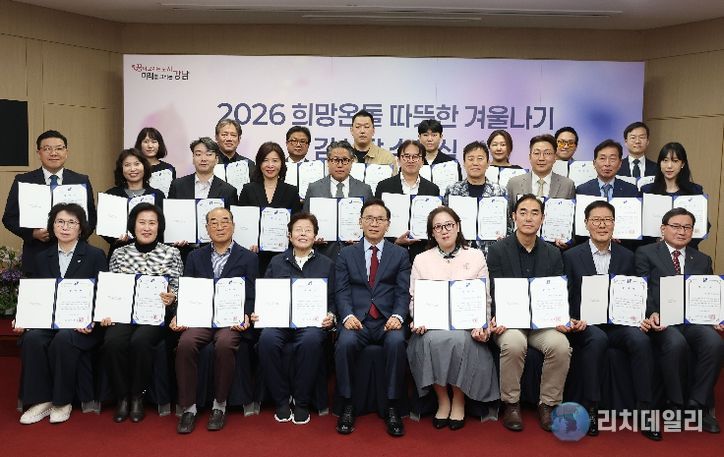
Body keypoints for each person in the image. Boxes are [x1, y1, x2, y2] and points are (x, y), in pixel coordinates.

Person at [563, 200, 659, 440]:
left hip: (619, 324)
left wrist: (641, 316)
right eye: (596, 220)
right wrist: (572, 318)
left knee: (640, 340)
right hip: (586, 325)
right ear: (586, 224)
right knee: (596, 339)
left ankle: (645, 409)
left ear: (614, 224)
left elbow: (637, 292)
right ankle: (591, 407)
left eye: (607, 220)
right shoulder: (571, 256)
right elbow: (566, 293)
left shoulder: (627, 256)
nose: (602, 225)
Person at [13, 203, 107, 425]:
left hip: (82, 324)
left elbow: (103, 294)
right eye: (60, 222)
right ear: (52, 225)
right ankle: (41, 401)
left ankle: (62, 402)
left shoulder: (94, 255)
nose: (65, 227)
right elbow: (34, 293)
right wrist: (22, 317)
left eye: (72, 222)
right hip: (49, 321)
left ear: (81, 228)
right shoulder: (41, 257)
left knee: (64, 338)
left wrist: (92, 320)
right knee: (32, 338)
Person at [408, 207, 498, 431]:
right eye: (438, 227)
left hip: (466, 326)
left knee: (460, 340)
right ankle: (442, 399)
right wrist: (417, 318)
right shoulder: (421, 259)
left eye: (449, 225)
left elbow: (484, 297)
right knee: (431, 340)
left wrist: (482, 325)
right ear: (432, 232)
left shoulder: (475, 255)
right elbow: (414, 298)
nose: (444, 230)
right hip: (432, 325)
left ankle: (458, 398)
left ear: (457, 227)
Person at [487, 194, 571, 432]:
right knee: (513, 343)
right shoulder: (498, 250)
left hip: (541, 324)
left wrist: (560, 318)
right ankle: (511, 403)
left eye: (535, 213)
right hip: (510, 322)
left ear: (542, 218)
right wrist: (497, 317)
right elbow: (493, 289)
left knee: (561, 345)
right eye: (523, 212)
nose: (528, 218)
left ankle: (548, 404)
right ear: (514, 216)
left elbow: (556, 293)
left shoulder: (553, 253)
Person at [635, 208, 723, 434]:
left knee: (714, 342)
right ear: (663, 229)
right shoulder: (646, 253)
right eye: (675, 226)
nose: (681, 231)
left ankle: (698, 404)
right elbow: (642, 289)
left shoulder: (702, 259)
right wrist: (651, 313)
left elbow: (708, 293)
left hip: (692, 320)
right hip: (662, 320)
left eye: (687, 227)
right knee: (675, 343)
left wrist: (715, 315)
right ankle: (675, 403)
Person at [172, 207, 258, 434]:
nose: (220, 227)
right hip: (201, 319)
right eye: (214, 222)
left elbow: (251, 293)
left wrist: (246, 314)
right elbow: (188, 290)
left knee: (225, 343)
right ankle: (188, 407)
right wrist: (180, 315)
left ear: (233, 225)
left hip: (230, 320)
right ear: (207, 228)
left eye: (225, 221)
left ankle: (219, 405)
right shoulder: (194, 256)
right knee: (185, 343)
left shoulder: (249, 257)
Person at [99, 203, 182, 423]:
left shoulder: (172, 253)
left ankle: (137, 396)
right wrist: (106, 311)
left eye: (152, 223)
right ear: (133, 226)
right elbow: (111, 288)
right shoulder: (119, 253)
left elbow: (177, 288)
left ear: (159, 227)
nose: (147, 228)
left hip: (155, 316)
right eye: (142, 222)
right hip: (123, 315)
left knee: (141, 341)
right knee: (113, 342)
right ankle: (122, 396)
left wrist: (172, 297)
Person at [334, 199, 411, 437]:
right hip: (358, 320)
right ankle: (348, 404)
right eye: (369, 218)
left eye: (380, 219)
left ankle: (392, 406)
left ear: (388, 224)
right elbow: (341, 291)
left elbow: (403, 291)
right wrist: (347, 315)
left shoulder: (400, 254)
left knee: (397, 342)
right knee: (344, 343)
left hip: (388, 320)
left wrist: (398, 315)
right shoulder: (346, 254)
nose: (374, 223)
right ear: (360, 222)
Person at [255, 212, 335, 425]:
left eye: (308, 230)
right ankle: (281, 400)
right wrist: (259, 312)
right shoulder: (276, 262)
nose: (303, 234)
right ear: (289, 235)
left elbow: (333, 299)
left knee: (311, 340)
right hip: (279, 322)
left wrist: (331, 316)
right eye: (298, 230)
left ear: (315, 236)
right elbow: (266, 294)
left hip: (311, 323)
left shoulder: (327, 264)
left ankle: (301, 401)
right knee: (266, 340)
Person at [3, 130, 97, 277]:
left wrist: (76, 234)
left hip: (75, 254)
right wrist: (32, 234)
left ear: (66, 152)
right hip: (36, 254)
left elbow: (91, 216)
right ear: (39, 153)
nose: (54, 153)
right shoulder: (23, 180)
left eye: (59, 148)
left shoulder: (80, 180)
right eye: (47, 149)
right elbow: (9, 218)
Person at [238, 142, 303, 275]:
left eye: (275, 161)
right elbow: (242, 223)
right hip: (254, 255)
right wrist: (248, 242)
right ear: (259, 163)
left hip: (283, 256)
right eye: (265, 160)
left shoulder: (291, 191)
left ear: (281, 163)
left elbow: (296, 223)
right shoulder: (248, 189)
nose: (270, 165)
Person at [302, 140, 373, 259]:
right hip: (322, 254)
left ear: (352, 162)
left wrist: (362, 239)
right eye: (335, 160)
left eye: (345, 160)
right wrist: (311, 237)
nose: (340, 165)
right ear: (328, 162)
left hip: (356, 254)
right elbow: (304, 221)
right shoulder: (314, 188)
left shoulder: (364, 189)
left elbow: (371, 221)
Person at [506, 134, 575, 249]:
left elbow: (571, 222)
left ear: (555, 157)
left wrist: (567, 240)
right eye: (537, 153)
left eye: (547, 153)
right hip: (519, 247)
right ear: (530, 157)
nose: (541, 158)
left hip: (553, 249)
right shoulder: (514, 183)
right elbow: (508, 217)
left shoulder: (567, 185)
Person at [375, 140, 439, 262]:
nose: (411, 160)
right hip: (389, 252)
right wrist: (395, 241)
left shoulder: (432, 189)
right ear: (399, 160)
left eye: (415, 157)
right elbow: (377, 219)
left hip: (423, 253)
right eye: (406, 156)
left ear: (422, 161)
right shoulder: (384, 186)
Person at [444, 140, 511, 256]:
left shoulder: (499, 192)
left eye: (480, 159)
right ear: (464, 163)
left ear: (488, 163)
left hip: (491, 254)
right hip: (458, 253)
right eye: (470, 159)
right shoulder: (453, 191)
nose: (475, 163)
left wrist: (504, 238)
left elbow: (509, 226)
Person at [102, 148, 165, 259]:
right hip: (120, 254)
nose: (132, 169)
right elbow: (104, 225)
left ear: (144, 166)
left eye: (137, 164)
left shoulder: (158, 195)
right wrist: (115, 239)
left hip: (153, 255)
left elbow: (162, 225)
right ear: (121, 169)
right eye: (127, 165)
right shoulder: (111, 195)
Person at [641, 142, 706, 249]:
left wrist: (681, 242)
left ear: (682, 164)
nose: (669, 166)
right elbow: (640, 225)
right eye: (665, 160)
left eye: (675, 161)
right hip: (654, 250)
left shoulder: (694, 191)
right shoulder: (647, 190)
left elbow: (703, 225)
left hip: (685, 250)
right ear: (660, 163)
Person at [168, 137, 239, 207]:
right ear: (193, 159)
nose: (203, 159)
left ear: (216, 159)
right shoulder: (177, 185)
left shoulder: (228, 191)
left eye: (208, 154)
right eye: (198, 154)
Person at [576, 139, 640, 199]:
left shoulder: (631, 190)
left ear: (620, 163)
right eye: (602, 158)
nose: (607, 164)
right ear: (594, 163)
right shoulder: (582, 190)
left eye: (612, 159)